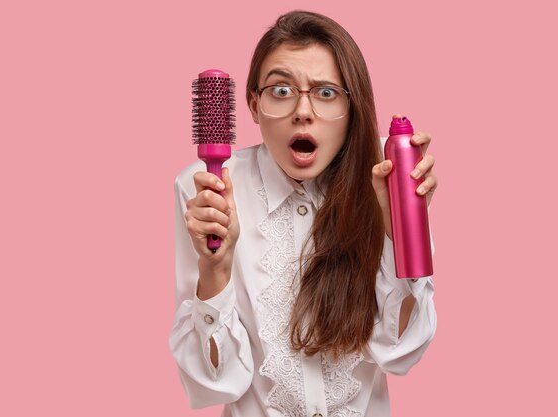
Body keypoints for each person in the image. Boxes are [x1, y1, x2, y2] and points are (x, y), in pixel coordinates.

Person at [169, 10, 438, 417]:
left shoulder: (386, 178)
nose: (303, 111)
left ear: (352, 107)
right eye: (281, 90)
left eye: (326, 93)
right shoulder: (209, 190)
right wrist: (216, 269)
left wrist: (396, 226)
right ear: (254, 105)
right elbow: (215, 382)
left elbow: (399, 353)